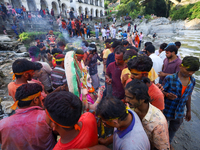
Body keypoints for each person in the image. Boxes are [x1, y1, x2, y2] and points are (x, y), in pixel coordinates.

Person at [0, 83, 56, 149]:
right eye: (41, 96)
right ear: (35, 100)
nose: (42, 98)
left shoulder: (2, 124)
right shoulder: (47, 117)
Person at [162, 56, 200, 144]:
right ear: (181, 66)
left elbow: (188, 95)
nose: (190, 73)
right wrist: (166, 94)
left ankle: (168, 143)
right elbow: (161, 91)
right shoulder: (170, 78)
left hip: (179, 113)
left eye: (193, 72)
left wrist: (189, 111)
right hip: (166, 111)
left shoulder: (192, 81)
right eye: (188, 70)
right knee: (162, 130)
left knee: (173, 131)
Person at [125, 79, 170, 149]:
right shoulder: (131, 107)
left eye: (130, 98)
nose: (126, 100)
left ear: (142, 99)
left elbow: (162, 147)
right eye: (126, 96)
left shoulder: (159, 123)